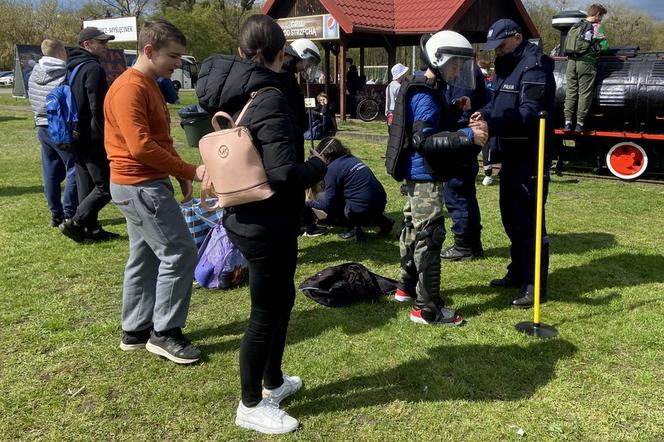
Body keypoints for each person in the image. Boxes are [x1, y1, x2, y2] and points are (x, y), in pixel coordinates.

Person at [195, 14, 327, 434]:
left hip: (252, 216)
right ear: (280, 53)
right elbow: (284, 172)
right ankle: (250, 403)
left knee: (280, 300)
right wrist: (321, 162)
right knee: (264, 313)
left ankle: (272, 382)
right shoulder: (268, 98)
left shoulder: (240, 92)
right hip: (264, 221)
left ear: (241, 51)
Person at [104, 19, 205, 364]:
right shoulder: (130, 88)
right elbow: (141, 147)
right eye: (173, 56)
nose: (178, 64)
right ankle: (165, 334)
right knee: (180, 252)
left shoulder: (149, 84)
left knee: (145, 256)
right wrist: (191, 170)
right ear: (149, 51)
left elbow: (160, 141)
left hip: (143, 185)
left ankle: (134, 330)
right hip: (140, 185)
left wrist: (179, 176)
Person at [384, 30, 488, 325]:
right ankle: (426, 308)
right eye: (454, 64)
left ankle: (405, 288)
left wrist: (453, 110)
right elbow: (424, 141)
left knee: (413, 231)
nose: (457, 70)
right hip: (424, 175)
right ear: (439, 59)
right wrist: (469, 135)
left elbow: (428, 125)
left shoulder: (426, 86)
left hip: (416, 175)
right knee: (430, 236)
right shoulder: (426, 94)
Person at [474, 18, 556, 308]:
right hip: (510, 155)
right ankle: (517, 271)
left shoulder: (536, 68)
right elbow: (497, 102)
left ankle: (535, 285)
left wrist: (492, 125)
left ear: (517, 38)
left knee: (530, 224)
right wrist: (481, 113)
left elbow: (529, 114)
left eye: (501, 45)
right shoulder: (506, 66)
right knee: (510, 218)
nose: (496, 51)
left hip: (531, 158)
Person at [59, 27, 117, 243]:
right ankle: (75, 223)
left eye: (105, 42)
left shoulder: (72, 67)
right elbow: (98, 108)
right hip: (93, 137)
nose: (105, 46)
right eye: (101, 42)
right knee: (106, 186)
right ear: (87, 44)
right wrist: (107, 136)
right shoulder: (93, 68)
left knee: (87, 184)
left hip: (75, 135)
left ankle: (92, 229)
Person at [27, 39, 79, 228]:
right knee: (74, 168)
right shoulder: (63, 73)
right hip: (60, 127)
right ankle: (68, 212)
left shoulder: (34, 73)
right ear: (60, 52)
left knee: (50, 171)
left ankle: (55, 214)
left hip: (41, 125)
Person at [441, 62, 489, 261]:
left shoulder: (460, 71)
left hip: (462, 135)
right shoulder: (471, 68)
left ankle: (462, 245)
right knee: (467, 191)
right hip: (468, 135)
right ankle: (473, 242)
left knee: (456, 190)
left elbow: (458, 104)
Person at [279, 39, 327, 237]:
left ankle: (304, 222)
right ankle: (302, 224)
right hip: (287, 144)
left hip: (288, 141)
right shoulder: (285, 78)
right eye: (307, 62)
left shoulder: (284, 75)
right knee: (292, 187)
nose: (307, 67)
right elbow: (297, 116)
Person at [306, 137, 393, 241]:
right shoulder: (351, 159)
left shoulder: (332, 169)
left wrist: (307, 202)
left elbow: (327, 204)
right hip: (380, 202)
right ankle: (382, 221)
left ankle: (354, 230)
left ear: (325, 154)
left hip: (360, 208)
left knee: (337, 207)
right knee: (357, 200)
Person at [563, 3, 608, 132]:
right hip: (586, 63)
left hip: (571, 62)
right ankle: (580, 124)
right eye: (602, 16)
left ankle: (567, 122)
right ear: (598, 14)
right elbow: (605, 47)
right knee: (584, 93)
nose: (601, 19)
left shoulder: (576, 25)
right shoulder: (596, 28)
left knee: (570, 92)